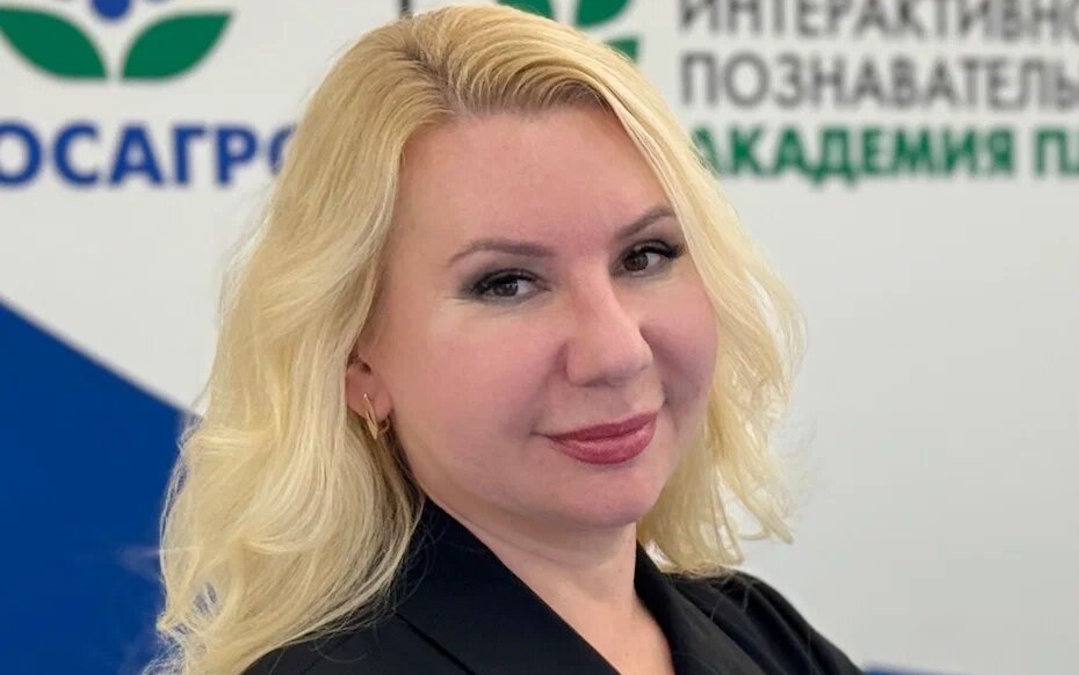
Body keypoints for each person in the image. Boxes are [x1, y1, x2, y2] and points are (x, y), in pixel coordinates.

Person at [149, 5, 862, 674]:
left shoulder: (760, 631)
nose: (617, 353)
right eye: (508, 284)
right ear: (356, 359)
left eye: (645, 255)